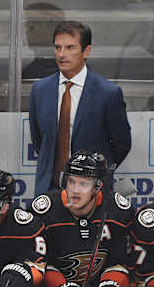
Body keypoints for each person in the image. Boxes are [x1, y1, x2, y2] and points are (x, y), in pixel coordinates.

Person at [29, 20, 131, 196]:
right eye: (58, 47)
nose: (62, 54)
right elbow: (40, 141)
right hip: (49, 191)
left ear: (86, 51)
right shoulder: (40, 90)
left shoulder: (108, 93)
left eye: (70, 48)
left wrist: (99, 172)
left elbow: (122, 143)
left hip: (91, 193)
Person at [29, 150, 133, 287]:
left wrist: (110, 286)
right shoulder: (45, 211)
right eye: (71, 182)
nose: (75, 190)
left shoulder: (117, 211)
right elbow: (34, 261)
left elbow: (122, 262)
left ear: (97, 187)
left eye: (83, 184)